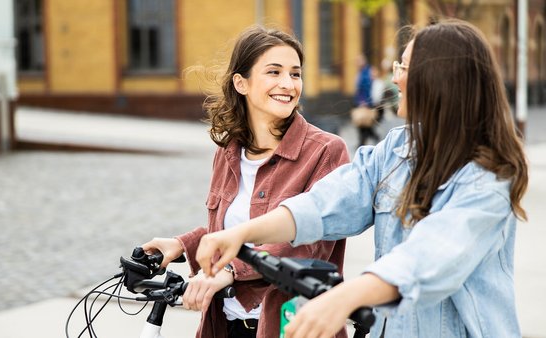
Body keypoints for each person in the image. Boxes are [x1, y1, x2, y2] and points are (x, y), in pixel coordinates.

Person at [196, 19, 528, 338]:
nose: (394, 79)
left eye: (404, 68)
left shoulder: (487, 179)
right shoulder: (397, 150)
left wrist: (341, 299)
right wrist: (242, 233)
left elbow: (426, 259)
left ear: (437, 80)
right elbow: (325, 204)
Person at [141, 25, 350, 338]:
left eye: (295, 73)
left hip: (289, 327)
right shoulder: (228, 152)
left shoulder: (326, 152)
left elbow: (308, 246)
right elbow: (228, 233)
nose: (288, 84)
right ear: (241, 83)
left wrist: (228, 270)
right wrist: (184, 244)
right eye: (274, 72)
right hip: (226, 325)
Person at [354, 54, 380, 148]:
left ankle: (365, 141)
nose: (356, 63)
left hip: (365, 102)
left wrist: (363, 102)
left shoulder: (366, 72)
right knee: (364, 124)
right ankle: (365, 140)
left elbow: (366, 87)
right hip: (362, 101)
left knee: (364, 124)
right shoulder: (361, 71)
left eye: (358, 61)